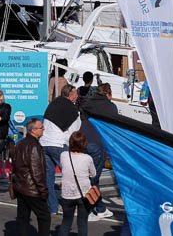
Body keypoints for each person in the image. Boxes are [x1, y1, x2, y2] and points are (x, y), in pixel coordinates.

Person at [79, 83, 117, 221]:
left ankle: (101, 208)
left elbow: (83, 118)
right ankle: (87, 210)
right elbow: (112, 127)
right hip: (97, 143)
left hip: (83, 140)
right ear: (108, 94)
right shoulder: (110, 106)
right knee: (93, 178)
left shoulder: (88, 103)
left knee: (91, 177)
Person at [42, 84, 82, 214]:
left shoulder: (53, 104)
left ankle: (52, 207)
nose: (77, 96)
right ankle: (71, 206)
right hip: (58, 144)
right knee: (71, 175)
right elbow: (73, 133)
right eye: (76, 94)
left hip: (44, 142)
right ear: (70, 95)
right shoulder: (72, 110)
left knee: (48, 178)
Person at [13, 118, 51, 236]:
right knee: (44, 216)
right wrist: (43, 190)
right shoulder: (34, 146)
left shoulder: (20, 143)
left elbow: (15, 165)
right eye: (41, 127)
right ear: (33, 130)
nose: (43, 129)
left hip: (20, 186)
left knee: (23, 218)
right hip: (31, 189)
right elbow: (37, 172)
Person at [59, 131, 96, 236]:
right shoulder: (87, 158)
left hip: (66, 193)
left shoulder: (63, 155)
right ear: (84, 143)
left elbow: (63, 168)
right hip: (83, 193)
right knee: (82, 222)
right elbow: (93, 174)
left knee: (66, 221)